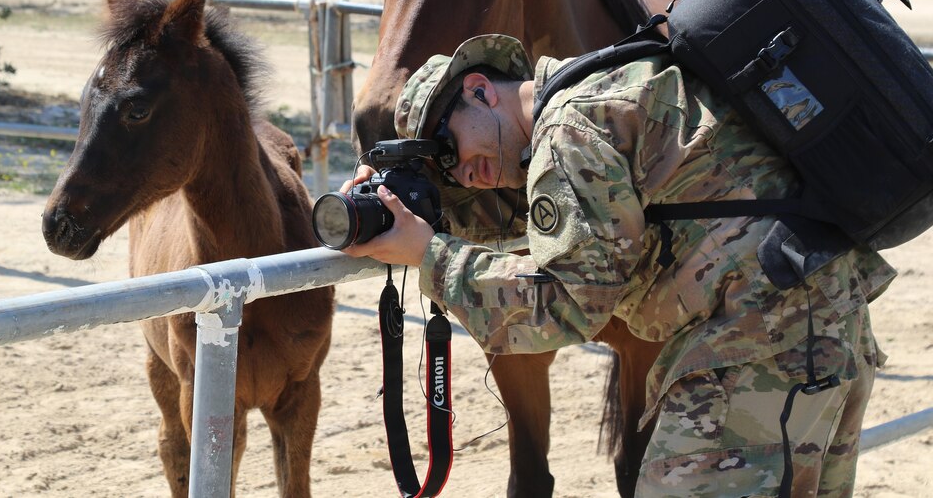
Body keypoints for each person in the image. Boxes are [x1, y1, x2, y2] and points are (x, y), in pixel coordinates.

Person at [339, 33, 895, 497]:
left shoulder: (568, 131)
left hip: (758, 352)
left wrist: (428, 256)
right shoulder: (606, 86)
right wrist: (407, 211)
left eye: (446, 145)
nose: (460, 173)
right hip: (823, 328)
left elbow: (569, 306)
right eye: (443, 171)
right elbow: (565, 221)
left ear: (480, 90)